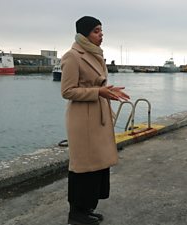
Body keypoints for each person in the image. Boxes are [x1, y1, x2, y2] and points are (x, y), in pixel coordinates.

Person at [61, 16, 130, 225]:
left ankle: (87, 208)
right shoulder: (73, 56)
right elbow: (67, 91)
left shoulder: (95, 54)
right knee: (83, 167)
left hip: (97, 116)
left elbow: (96, 85)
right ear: (84, 34)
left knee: (97, 167)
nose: (101, 35)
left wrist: (105, 91)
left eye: (101, 31)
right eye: (96, 31)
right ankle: (76, 213)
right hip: (82, 120)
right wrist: (98, 91)